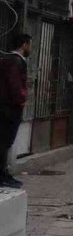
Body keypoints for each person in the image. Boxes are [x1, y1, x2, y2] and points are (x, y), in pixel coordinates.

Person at [0, 33, 31, 188]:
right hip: (9, 109)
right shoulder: (16, 61)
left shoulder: (7, 59)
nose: (30, 48)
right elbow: (15, 86)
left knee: (4, 142)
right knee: (4, 142)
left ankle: (4, 173)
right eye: (29, 44)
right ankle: (2, 176)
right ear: (24, 44)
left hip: (5, 107)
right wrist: (22, 98)